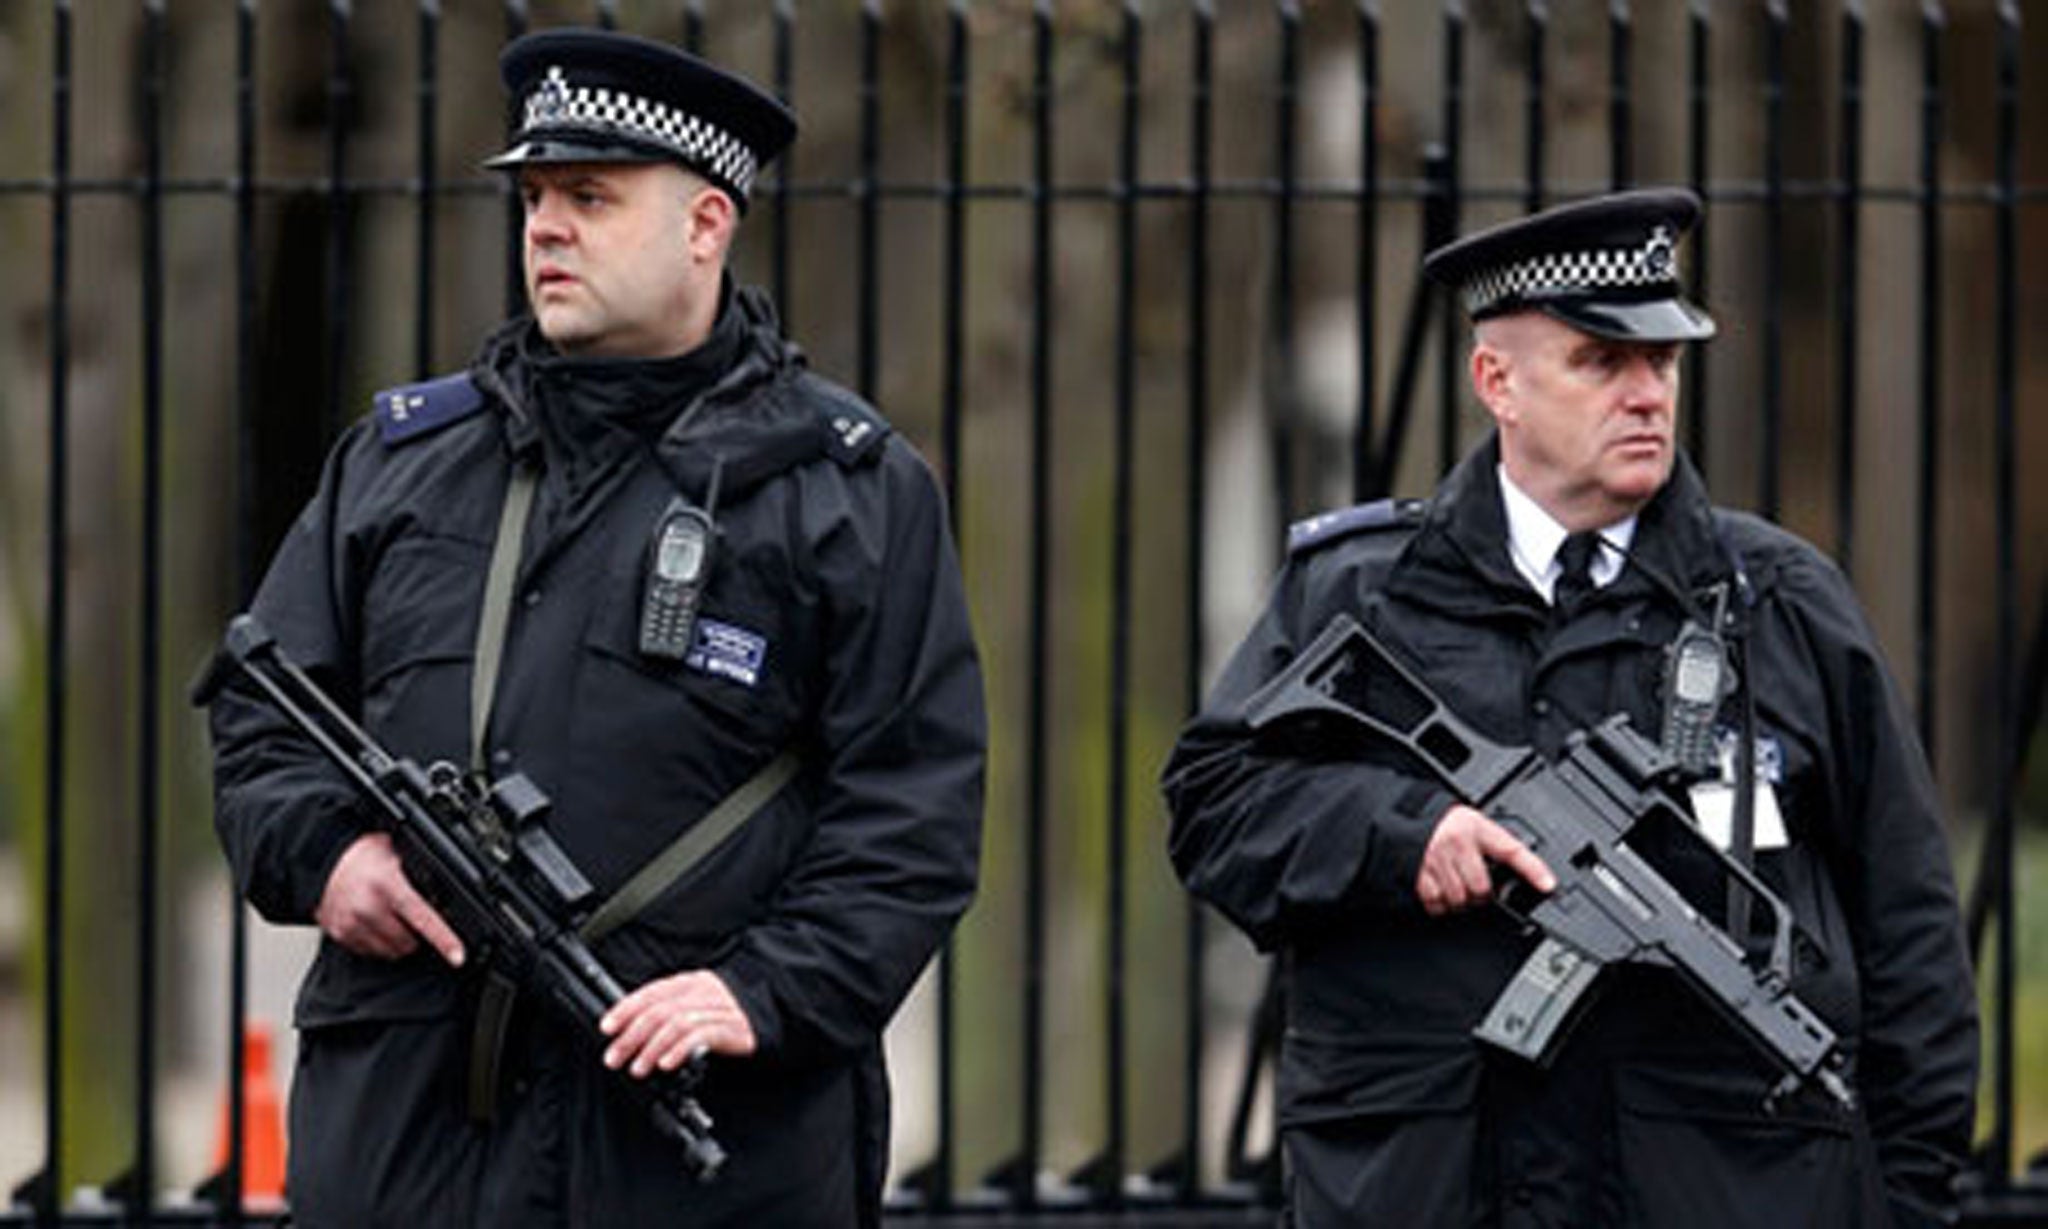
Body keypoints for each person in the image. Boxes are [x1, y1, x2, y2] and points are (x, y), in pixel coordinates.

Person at [208, 29, 985, 1228]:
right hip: (411, 1127)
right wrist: (326, 854)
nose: (544, 229)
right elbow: (264, 712)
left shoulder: (849, 494)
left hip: (699, 1145)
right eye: (532, 198)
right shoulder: (405, 463)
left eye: (589, 197)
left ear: (705, 226)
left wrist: (760, 992)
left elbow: (911, 811)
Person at [1162, 189, 1976, 1228]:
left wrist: (1898, 1199)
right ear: (1494, 380)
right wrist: (1398, 837)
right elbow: (1214, 804)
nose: (1645, 394)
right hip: (1428, 1184)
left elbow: (1907, 928)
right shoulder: (1361, 593)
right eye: (1600, 362)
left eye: (1662, 362)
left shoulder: (1778, 601)